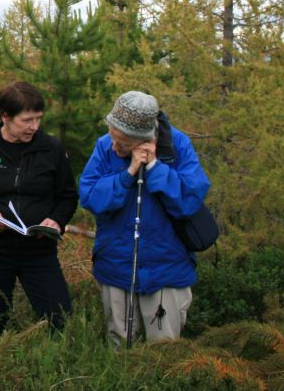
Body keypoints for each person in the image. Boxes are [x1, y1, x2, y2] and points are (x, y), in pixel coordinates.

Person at [78, 90, 210, 347]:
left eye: (122, 143)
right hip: (116, 267)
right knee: (120, 346)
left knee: (163, 350)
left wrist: (154, 168)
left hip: (167, 270)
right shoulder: (105, 146)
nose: (114, 146)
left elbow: (190, 201)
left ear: (143, 139)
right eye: (112, 136)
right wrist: (127, 174)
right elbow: (90, 196)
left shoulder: (178, 146)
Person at [0, 81, 78, 333]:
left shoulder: (50, 148)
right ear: (5, 117)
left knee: (60, 319)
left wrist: (56, 220)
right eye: (27, 120)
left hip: (39, 252)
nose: (34, 127)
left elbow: (67, 196)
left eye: (38, 119)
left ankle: (51, 366)